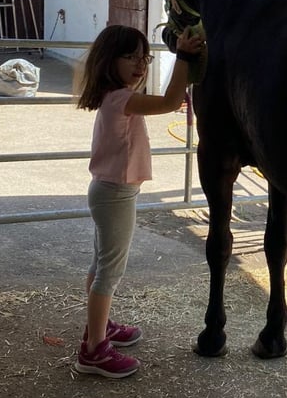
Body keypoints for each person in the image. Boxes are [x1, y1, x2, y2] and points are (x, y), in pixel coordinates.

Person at [73, 24, 204, 378]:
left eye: (144, 57)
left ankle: (98, 329)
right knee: (110, 273)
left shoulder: (114, 97)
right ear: (108, 60)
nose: (140, 64)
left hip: (108, 190)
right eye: (130, 56)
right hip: (115, 194)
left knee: (100, 266)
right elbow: (168, 102)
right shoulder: (121, 99)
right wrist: (184, 57)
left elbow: (166, 102)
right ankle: (94, 352)